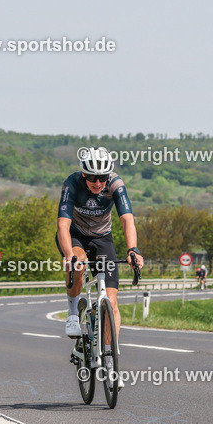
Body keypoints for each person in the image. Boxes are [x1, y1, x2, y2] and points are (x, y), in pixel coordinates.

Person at [56, 147, 143, 343]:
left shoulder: (115, 184)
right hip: (75, 235)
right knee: (78, 262)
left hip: (102, 238)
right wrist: (69, 255)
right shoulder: (72, 183)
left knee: (111, 303)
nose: (98, 183)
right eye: (93, 178)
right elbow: (63, 224)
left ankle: (108, 358)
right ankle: (72, 313)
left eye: (102, 177)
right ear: (84, 174)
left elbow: (127, 220)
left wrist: (133, 250)